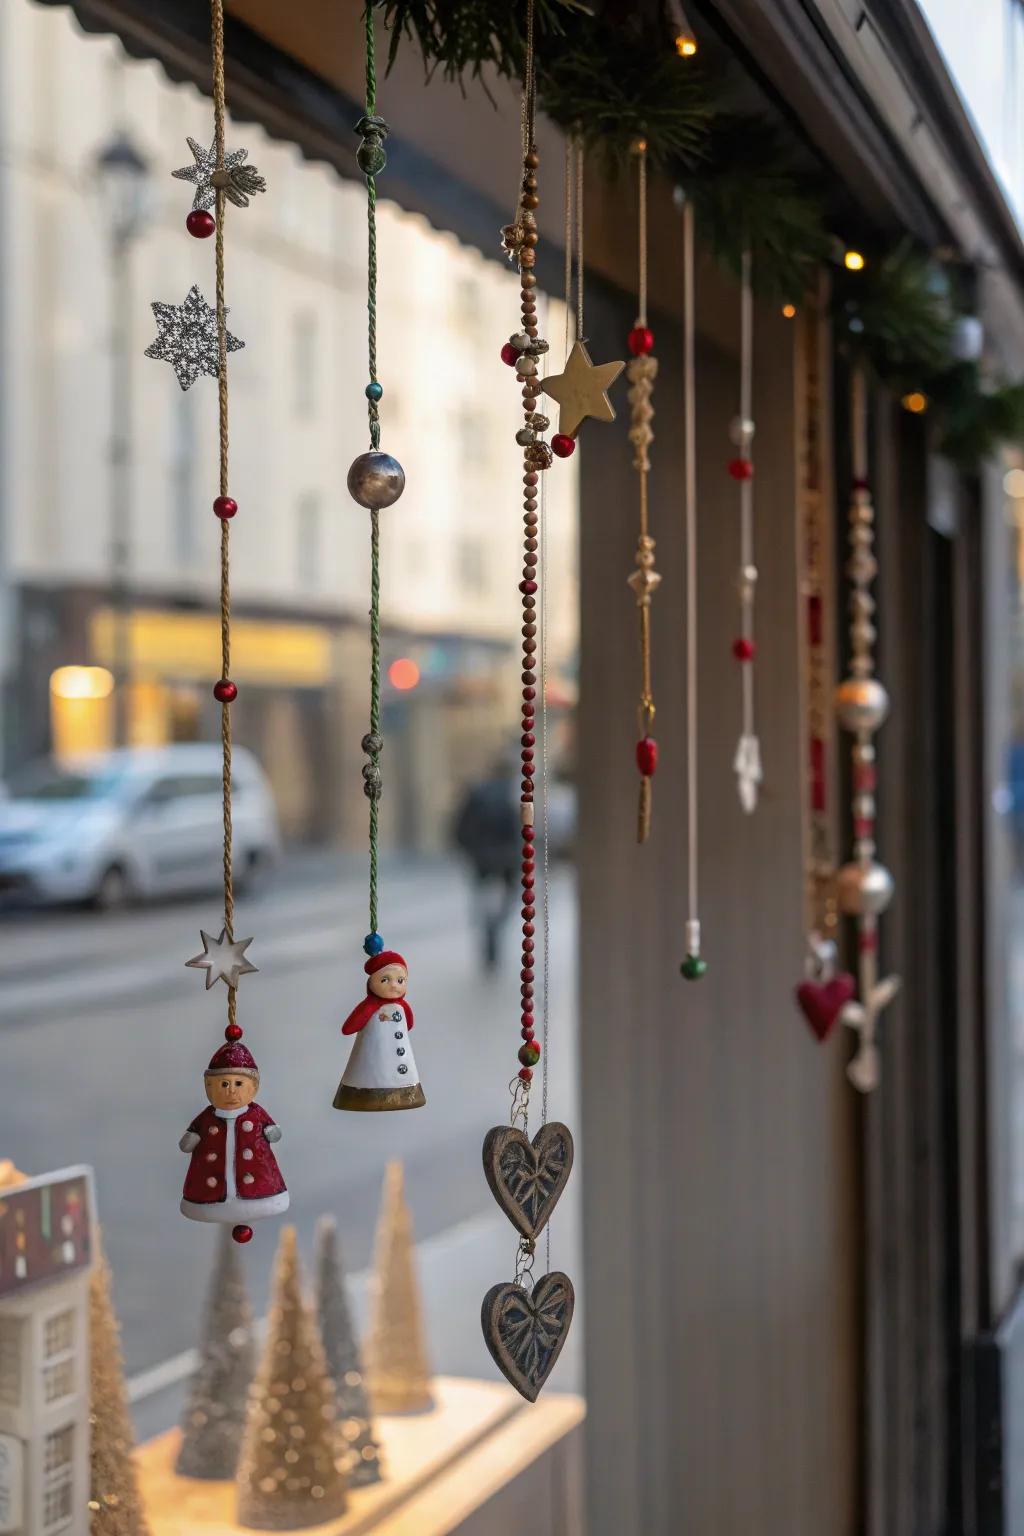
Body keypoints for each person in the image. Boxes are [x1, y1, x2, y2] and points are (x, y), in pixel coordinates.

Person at [453, 759, 521, 970]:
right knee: (512, 896)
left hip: (481, 857)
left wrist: (469, 851)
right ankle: (495, 924)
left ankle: (487, 925)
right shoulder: (514, 795)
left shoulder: (476, 793)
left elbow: (460, 827)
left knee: (481, 897)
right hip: (507, 857)